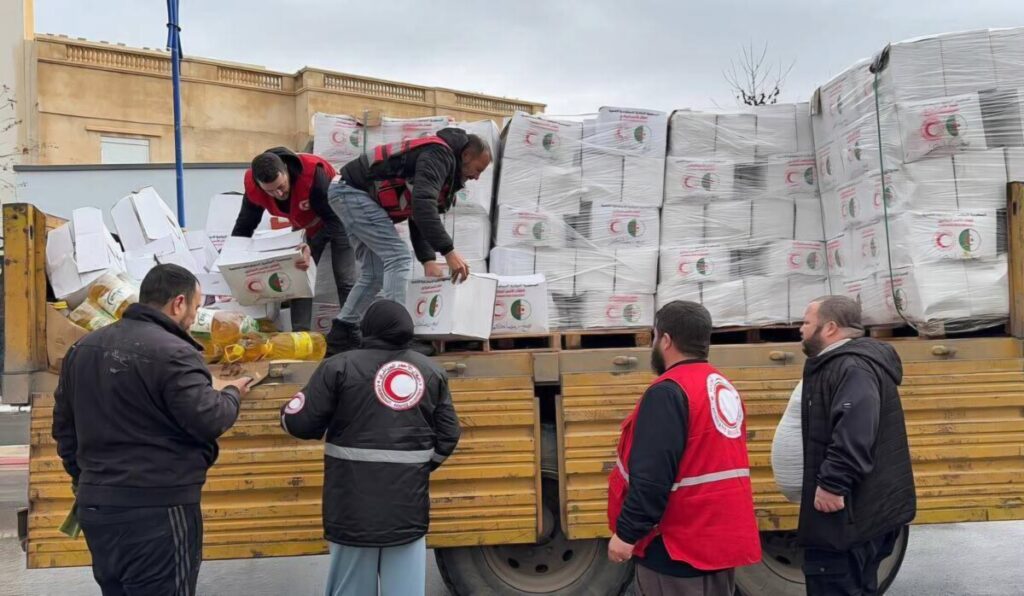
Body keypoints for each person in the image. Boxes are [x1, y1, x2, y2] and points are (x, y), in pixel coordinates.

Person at [52, 264, 252, 596]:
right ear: (178, 303)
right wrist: (232, 392)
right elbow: (210, 419)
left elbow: (64, 430)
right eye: (196, 307)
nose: (194, 318)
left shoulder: (83, 349)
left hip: (97, 507)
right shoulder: (175, 352)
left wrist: (90, 479)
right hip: (157, 509)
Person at [280, 299, 461, 596]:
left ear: (367, 329)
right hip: (407, 511)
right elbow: (449, 434)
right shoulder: (431, 372)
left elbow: (301, 423)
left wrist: (283, 414)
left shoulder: (338, 367)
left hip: (351, 512)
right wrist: (419, 466)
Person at [607, 300, 761, 596]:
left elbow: (652, 477)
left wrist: (627, 534)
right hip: (718, 544)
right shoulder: (722, 386)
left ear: (665, 340)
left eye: (654, 337)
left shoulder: (668, 392)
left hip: (676, 547)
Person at [323, 128, 492, 355]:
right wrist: (448, 251)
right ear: (466, 156)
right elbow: (423, 206)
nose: (477, 177)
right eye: (478, 169)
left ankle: (341, 335)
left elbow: (416, 211)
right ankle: (395, 336)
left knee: (374, 273)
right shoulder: (439, 155)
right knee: (398, 257)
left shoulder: (443, 162)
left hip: (347, 191)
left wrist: (428, 260)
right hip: (352, 192)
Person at [797, 295, 916, 596]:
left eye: (807, 322)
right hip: (857, 516)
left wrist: (833, 484)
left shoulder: (852, 367)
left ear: (830, 328)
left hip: (848, 518)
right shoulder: (847, 364)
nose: (800, 328)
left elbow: (856, 428)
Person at [234, 147, 356, 331]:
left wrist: (310, 246)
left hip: (338, 217)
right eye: (271, 191)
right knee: (299, 276)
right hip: (306, 225)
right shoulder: (254, 189)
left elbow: (334, 220)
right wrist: (232, 255)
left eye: (281, 187)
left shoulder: (314, 175)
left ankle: (352, 333)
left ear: (286, 170)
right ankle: (301, 334)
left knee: (344, 278)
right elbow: (245, 224)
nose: (279, 194)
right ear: (259, 185)